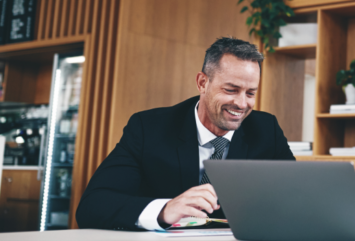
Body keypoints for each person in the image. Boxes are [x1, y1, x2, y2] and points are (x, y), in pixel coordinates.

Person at [76, 37, 295, 230]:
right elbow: (92, 206)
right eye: (231, 90)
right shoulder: (148, 128)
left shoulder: (267, 130)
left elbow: (296, 198)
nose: (241, 103)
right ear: (202, 83)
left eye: (250, 93)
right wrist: (164, 210)